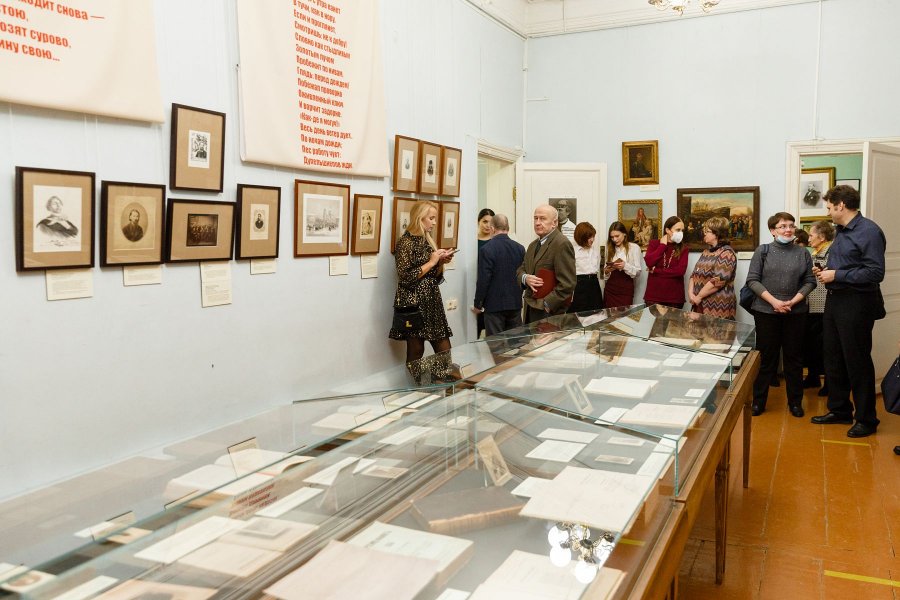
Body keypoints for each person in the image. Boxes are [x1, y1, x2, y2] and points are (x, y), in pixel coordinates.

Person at [810, 185, 886, 438]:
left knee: (857, 361)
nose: (828, 212)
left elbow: (875, 272)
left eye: (829, 207)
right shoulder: (840, 231)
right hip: (835, 300)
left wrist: (838, 275)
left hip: (857, 303)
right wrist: (826, 273)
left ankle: (866, 419)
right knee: (833, 357)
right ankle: (840, 410)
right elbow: (846, 265)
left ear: (841, 205)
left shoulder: (869, 231)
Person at [744, 212, 816, 417]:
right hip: (766, 312)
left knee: (794, 359)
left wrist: (793, 301)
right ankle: (758, 402)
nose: (788, 229)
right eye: (783, 226)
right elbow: (752, 280)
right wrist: (774, 302)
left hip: (796, 312)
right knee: (766, 358)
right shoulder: (763, 251)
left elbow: (810, 281)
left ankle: (795, 403)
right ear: (773, 231)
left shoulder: (803, 253)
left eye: (791, 225)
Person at [389, 201, 455, 369]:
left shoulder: (427, 241)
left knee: (444, 351)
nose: (434, 222)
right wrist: (432, 262)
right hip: (414, 305)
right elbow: (405, 277)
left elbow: (434, 278)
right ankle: (417, 385)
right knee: (416, 351)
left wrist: (441, 263)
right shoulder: (405, 243)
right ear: (420, 218)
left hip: (432, 303)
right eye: (431, 218)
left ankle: (443, 383)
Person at [517, 204, 576, 324]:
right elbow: (521, 270)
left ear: (554, 223)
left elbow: (568, 284)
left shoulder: (561, 244)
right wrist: (525, 278)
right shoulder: (533, 245)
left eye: (543, 218)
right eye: (535, 218)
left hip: (549, 313)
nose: (537, 223)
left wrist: (546, 304)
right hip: (529, 310)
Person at [472, 214, 526, 335]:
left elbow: (484, 280)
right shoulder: (520, 248)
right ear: (508, 228)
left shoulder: (486, 249)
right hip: (515, 303)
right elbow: (523, 275)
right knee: (516, 342)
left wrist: (478, 303)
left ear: (492, 228)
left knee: (495, 343)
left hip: (494, 305)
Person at [802, 220, 834, 396]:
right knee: (812, 345)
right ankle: (813, 377)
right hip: (812, 307)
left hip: (825, 307)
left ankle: (829, 383)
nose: (808, 239)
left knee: (827, 348)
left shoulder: (832, 253)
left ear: (821, 237)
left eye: (811, 235)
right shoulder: (814, 253)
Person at [688, 216, 737, 319]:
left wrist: (699, 296)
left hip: (717, 307)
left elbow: (718, 281)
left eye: (707, 231)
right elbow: (693, 275)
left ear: (717, 234)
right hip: (699, 304)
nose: (704, 233)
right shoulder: (706, 252)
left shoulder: (727, 253)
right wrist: (691, 293)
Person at [644, 216, 689, 309]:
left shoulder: (684, 248)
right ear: (668, 230)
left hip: (675, 298)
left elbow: (680, 271)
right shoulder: (654, 244)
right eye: (678, 230)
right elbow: (649, 262)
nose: (681, 233)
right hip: (653, 296)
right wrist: (662, 246)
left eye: (682, 230)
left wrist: (656, 270)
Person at [602, 221, 642, 308]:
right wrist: (606, 271)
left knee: (625, 314)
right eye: (612, 237)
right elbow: (604, 274)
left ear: (624, 234)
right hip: (610, 289)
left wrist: (625, 266)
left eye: (617, 236)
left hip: (625, 289)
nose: (614, 239)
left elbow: (638, 272)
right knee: (609, 315)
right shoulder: (609, 248)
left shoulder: (634, 248)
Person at [569, 222, 603, 313]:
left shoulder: (595, 250)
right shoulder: (572, 251)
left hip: (594, 284)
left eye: (593, 236)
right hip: (579, 285)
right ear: (581, 237)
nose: (592, 240)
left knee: (597, 313)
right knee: (579, 315)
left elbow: (596, 269)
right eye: (589, 237)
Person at [475, 208, 496, 338]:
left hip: (491, 290)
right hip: (475, 287)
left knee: (491, 332)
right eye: (484, 221)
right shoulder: (472, 241)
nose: (488, 225)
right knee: (474, 329)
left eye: (491, 222)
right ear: (478, 221)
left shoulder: (495, 242)